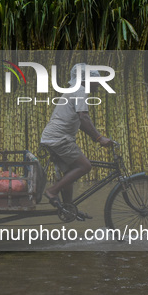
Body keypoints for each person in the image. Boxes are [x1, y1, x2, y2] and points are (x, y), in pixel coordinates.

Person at [40, 63, 113, 210]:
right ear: (86, 80)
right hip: (59, 138)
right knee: (84, 166)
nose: (98, 85)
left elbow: (80, 121)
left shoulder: (74, 90)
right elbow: (83, 118)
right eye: (96, 81)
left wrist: (96, 137)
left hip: (52, 137)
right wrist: (100, 138)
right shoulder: (80, 90)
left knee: (69, 172)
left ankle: (68, 207)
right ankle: (52, 191)